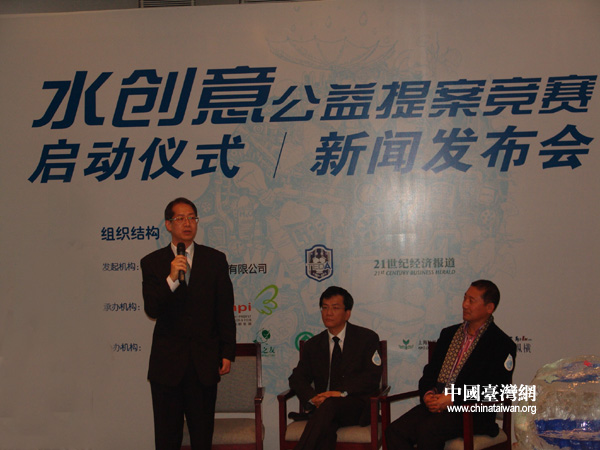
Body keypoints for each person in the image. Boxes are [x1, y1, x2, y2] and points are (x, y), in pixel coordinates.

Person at [141, 197, 236, 450]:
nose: (187, 223)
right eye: (180, 218)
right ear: (168, 224)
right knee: (167, 438)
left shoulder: (215, 260)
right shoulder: (152, 263)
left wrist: (227, 351)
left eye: (192, 218)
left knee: (202, 437)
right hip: (167, 366)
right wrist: (171, 279)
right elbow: (152, 309)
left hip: (203, 363)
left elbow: (224, 309)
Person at [384, 279, 516, 450]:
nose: (464, 305)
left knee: (429, 431)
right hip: (437, 405)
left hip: (471, 411)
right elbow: (430, 372)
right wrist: (428, 394)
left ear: (489, 308)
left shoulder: (501, 344)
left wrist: (453, 398)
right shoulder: (449, 334)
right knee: (395, 431)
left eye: (471, 301)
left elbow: (497, 389)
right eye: (465, 298)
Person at [288, 286, 383, 450]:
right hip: (323, 409)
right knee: (325, 428)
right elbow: (297, 378)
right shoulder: (313, 345)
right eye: (324, 308)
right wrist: (312, 398)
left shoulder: (366, 339)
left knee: (329, 405)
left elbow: (372, 377)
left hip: (355, 406)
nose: (328, 313)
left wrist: (340, 393)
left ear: (347, 313)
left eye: (335, 308)